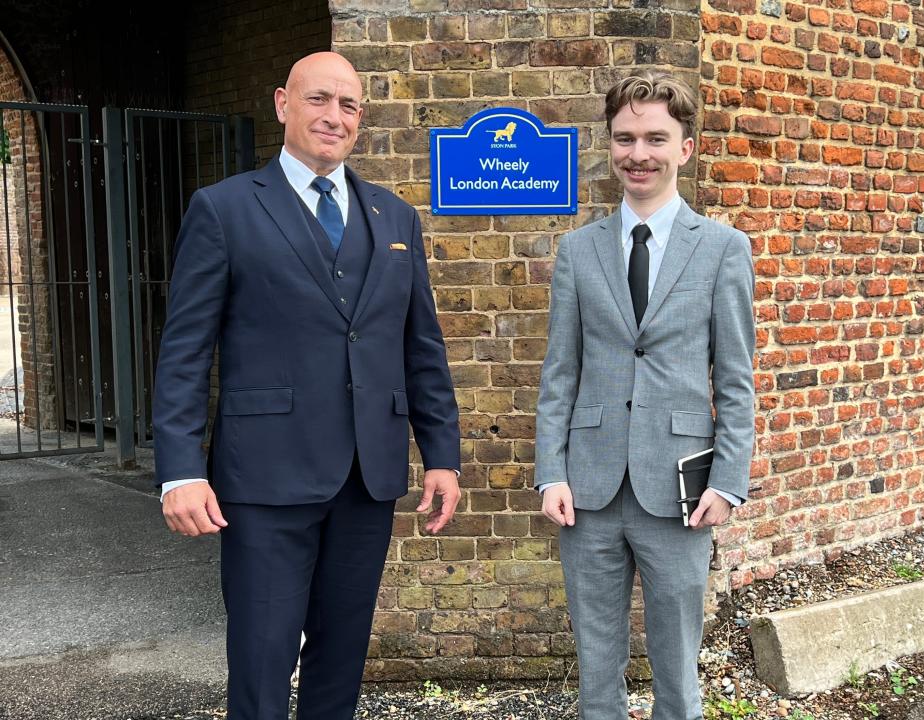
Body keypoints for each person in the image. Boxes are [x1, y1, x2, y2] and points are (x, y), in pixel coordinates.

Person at [152, 52, 461, 720]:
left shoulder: (395, 218)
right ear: (282, 104)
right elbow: (183, 351)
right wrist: (179, 470)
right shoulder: (225, 210)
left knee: (341, 658)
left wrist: (441, 455)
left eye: (349, 105)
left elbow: (421, 349)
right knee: (262, 661)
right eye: (319, 99)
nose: (335, 116)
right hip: (263, 480)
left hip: (366, 477)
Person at [535, 70, 755, 720]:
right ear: (610, 143)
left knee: (678, 675)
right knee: (596, 674)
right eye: (626, 138)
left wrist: (729, 480)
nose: (639, 153)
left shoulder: (722, 250)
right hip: (589, 492)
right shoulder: (578, 252)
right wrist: (551, 471)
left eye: (656, 137)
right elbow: (560, 374)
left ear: (685, 146)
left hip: (681, 497)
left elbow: (737, 379)